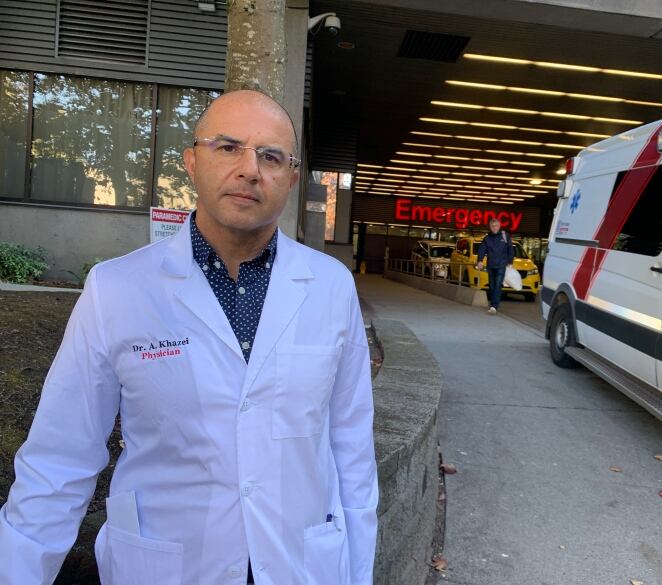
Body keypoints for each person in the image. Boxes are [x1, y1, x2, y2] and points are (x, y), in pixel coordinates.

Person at [0, 90, 378, 585]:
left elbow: (351, 451)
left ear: (290, 177)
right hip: (166, 566)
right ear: (191, 162)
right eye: (228, 147)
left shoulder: (331, 286)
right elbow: (60, 456)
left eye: (271, 156)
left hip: (300, 564)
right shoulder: (117, 289)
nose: (249, 169)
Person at [476, 218, 515, 314]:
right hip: (491, 265)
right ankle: (494, 304)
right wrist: (480, 260)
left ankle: (494, 306)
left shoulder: (505, 236)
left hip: (501, 265)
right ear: (490, 227)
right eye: (492, 226)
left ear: (499, 226)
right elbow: (482, 250)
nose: (494, 228)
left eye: (496, 226)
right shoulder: (487, 238)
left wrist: (510, 262)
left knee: (497, 285)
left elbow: (510, 249)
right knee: (492, 286)